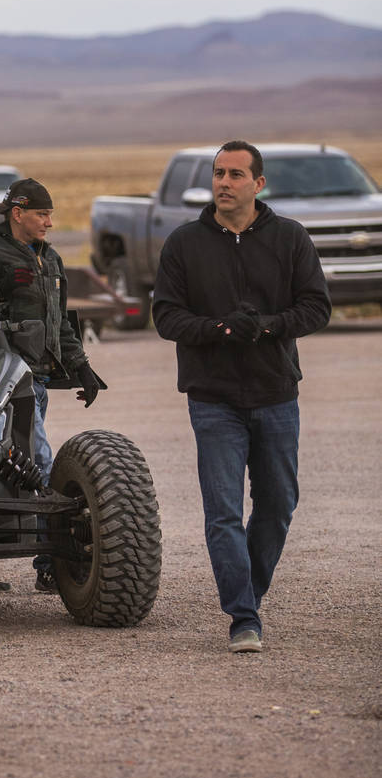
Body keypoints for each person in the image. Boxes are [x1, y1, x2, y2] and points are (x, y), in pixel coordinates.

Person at [152, 140, 331, 654]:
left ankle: (248, 589)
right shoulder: (184, 243)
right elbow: (166, 317)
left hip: (276, 393)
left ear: (259, 183)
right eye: (218, 173)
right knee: (224, 511)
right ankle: (243, 615)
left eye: (235, 174)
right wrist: (220, 329)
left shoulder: (290, 238)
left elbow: (316, 307)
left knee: (277, 504)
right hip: (213, 399)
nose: (224, 182)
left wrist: (269, 326)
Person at [0, 178, 101, 594]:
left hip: (37, 381)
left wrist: (82, 367)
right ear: (18, 214)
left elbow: (60, 323)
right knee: (27, 466)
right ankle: (41, 562)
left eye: (50, 215)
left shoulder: (51, 258)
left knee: (16, 469)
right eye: (41, 214)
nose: (49, 222)